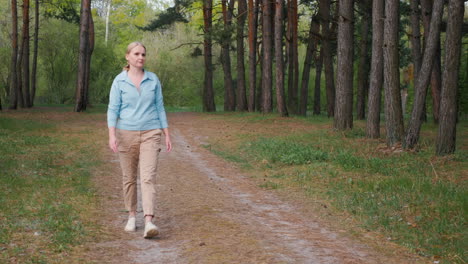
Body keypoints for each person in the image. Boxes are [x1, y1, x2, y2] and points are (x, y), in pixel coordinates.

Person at [107, 41, 172, 238]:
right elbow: (113, 109)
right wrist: (111, 135)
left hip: (151, 133)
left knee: (148, 177)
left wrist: (167, 133)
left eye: (143, 54)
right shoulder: (119, 81)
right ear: (128, 56)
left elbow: (160, 107)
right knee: (129, 178)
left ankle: (149, 221)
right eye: (136, 54)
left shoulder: (153, 80)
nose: (140, 57)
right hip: (126, 134)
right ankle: (132, 216)